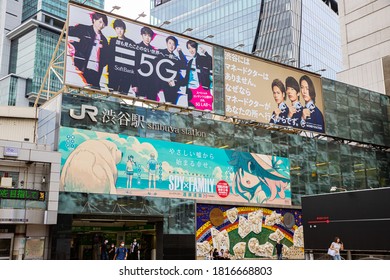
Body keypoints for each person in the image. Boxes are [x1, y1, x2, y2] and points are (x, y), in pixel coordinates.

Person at [68, 12, 109, 89]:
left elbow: (106, 58)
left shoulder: (104, 40)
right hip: (82, 66)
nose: (101, 25)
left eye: (104, 24)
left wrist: (101, 63)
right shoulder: (84, 29)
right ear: (94, 20)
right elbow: (68, 31)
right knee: (81, 88)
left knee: (94, 90)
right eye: (100, 22)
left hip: (96, 70)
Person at [107, 19, 138, 95]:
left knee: (123, 97)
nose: (119, 31)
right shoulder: (112, 41)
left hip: (126, 76)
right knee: (112, 95)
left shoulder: (131, 43)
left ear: (124, 30)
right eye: (117, 28)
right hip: (114, 74)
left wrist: (134, 83)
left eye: (121, 28)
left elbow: (134, 64)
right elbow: (109, 58)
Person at [181, 40, 213, 107]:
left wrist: (206, 53)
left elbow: (212, 63)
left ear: (196, 48)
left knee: (202, 111)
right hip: (190, 90)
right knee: (191, 111)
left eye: (192, 47)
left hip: (201, 90)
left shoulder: (202, 58)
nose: (191, 50)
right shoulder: (190, 62)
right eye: (189, 48)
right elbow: (186, 77)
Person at [157, 36, 186, 104]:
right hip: (162, 81)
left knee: (172, 103)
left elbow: (184, 64)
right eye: (170, 43)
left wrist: (180, 52)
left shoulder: (175, 58)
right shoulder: (161, 52)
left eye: (173, 44)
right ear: (166, 43)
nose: (171, 46)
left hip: (172, 83)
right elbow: (158, 67)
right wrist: (167, 79)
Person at [136, 26, 159, 100]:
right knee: (139, 105)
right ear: (142, 35)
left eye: (149, 36)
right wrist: (134, 84)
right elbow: (134, 66)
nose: (147, 38)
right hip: (140, 81)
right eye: (145, 35)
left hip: (152, 83)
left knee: (152, 106)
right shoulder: (137, 47)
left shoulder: (153, 51)